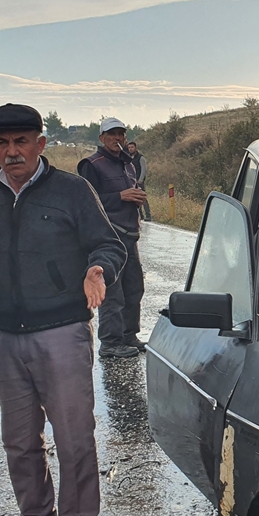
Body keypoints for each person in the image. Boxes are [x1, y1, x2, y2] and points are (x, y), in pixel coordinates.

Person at [0, 104, 127, 516]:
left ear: (40, 144)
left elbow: (108, 243)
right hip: (4, 334)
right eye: (2, 143)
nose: (11, 152)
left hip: (62, 329)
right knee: (19, 437)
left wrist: (98, 269)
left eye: (21, 142)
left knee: (72, 432)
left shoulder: (72, 190)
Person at [78, 119, 145, 359]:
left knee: (134, 288)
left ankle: (129, 335)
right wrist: (120, 196)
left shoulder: (129, 164)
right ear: (101, 138)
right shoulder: (91, 165)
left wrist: (135, 198)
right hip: (108, 236)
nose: (117, 138)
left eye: (121, 134)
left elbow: (127, 194)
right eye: (112, 134)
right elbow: (86, 204)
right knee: (113, 292)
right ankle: (110, 342)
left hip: (130, 234)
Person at [126, 141, 151, 221]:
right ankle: (140, 215)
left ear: (135, 148)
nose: (130, 149)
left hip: (139, 181)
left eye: (132, 147)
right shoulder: (128, 157)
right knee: (135, 198)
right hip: (131, 181)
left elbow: (144, 169)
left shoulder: (141, 158)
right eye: (129, 147)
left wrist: (140, 180)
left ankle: (148, 215)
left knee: (142, 198)